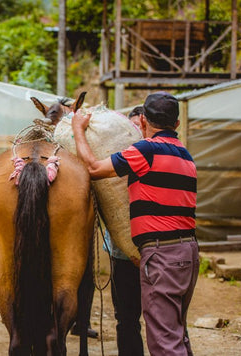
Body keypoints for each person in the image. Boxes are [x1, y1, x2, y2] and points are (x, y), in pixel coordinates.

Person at [71, 92, 199, 356]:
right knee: (176, 332)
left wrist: (77, 130)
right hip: (188, 252)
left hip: (161, 254)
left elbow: (94, 169)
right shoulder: (185, 155)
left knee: (164, 342)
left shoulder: (146, 150)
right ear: (176, 124)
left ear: (142, 121)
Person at [102, 105, 145, 356]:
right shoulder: (118, 157)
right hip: (122, 253)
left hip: (151, 250)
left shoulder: (149, 155)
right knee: (127, 318)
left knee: (160, 316)